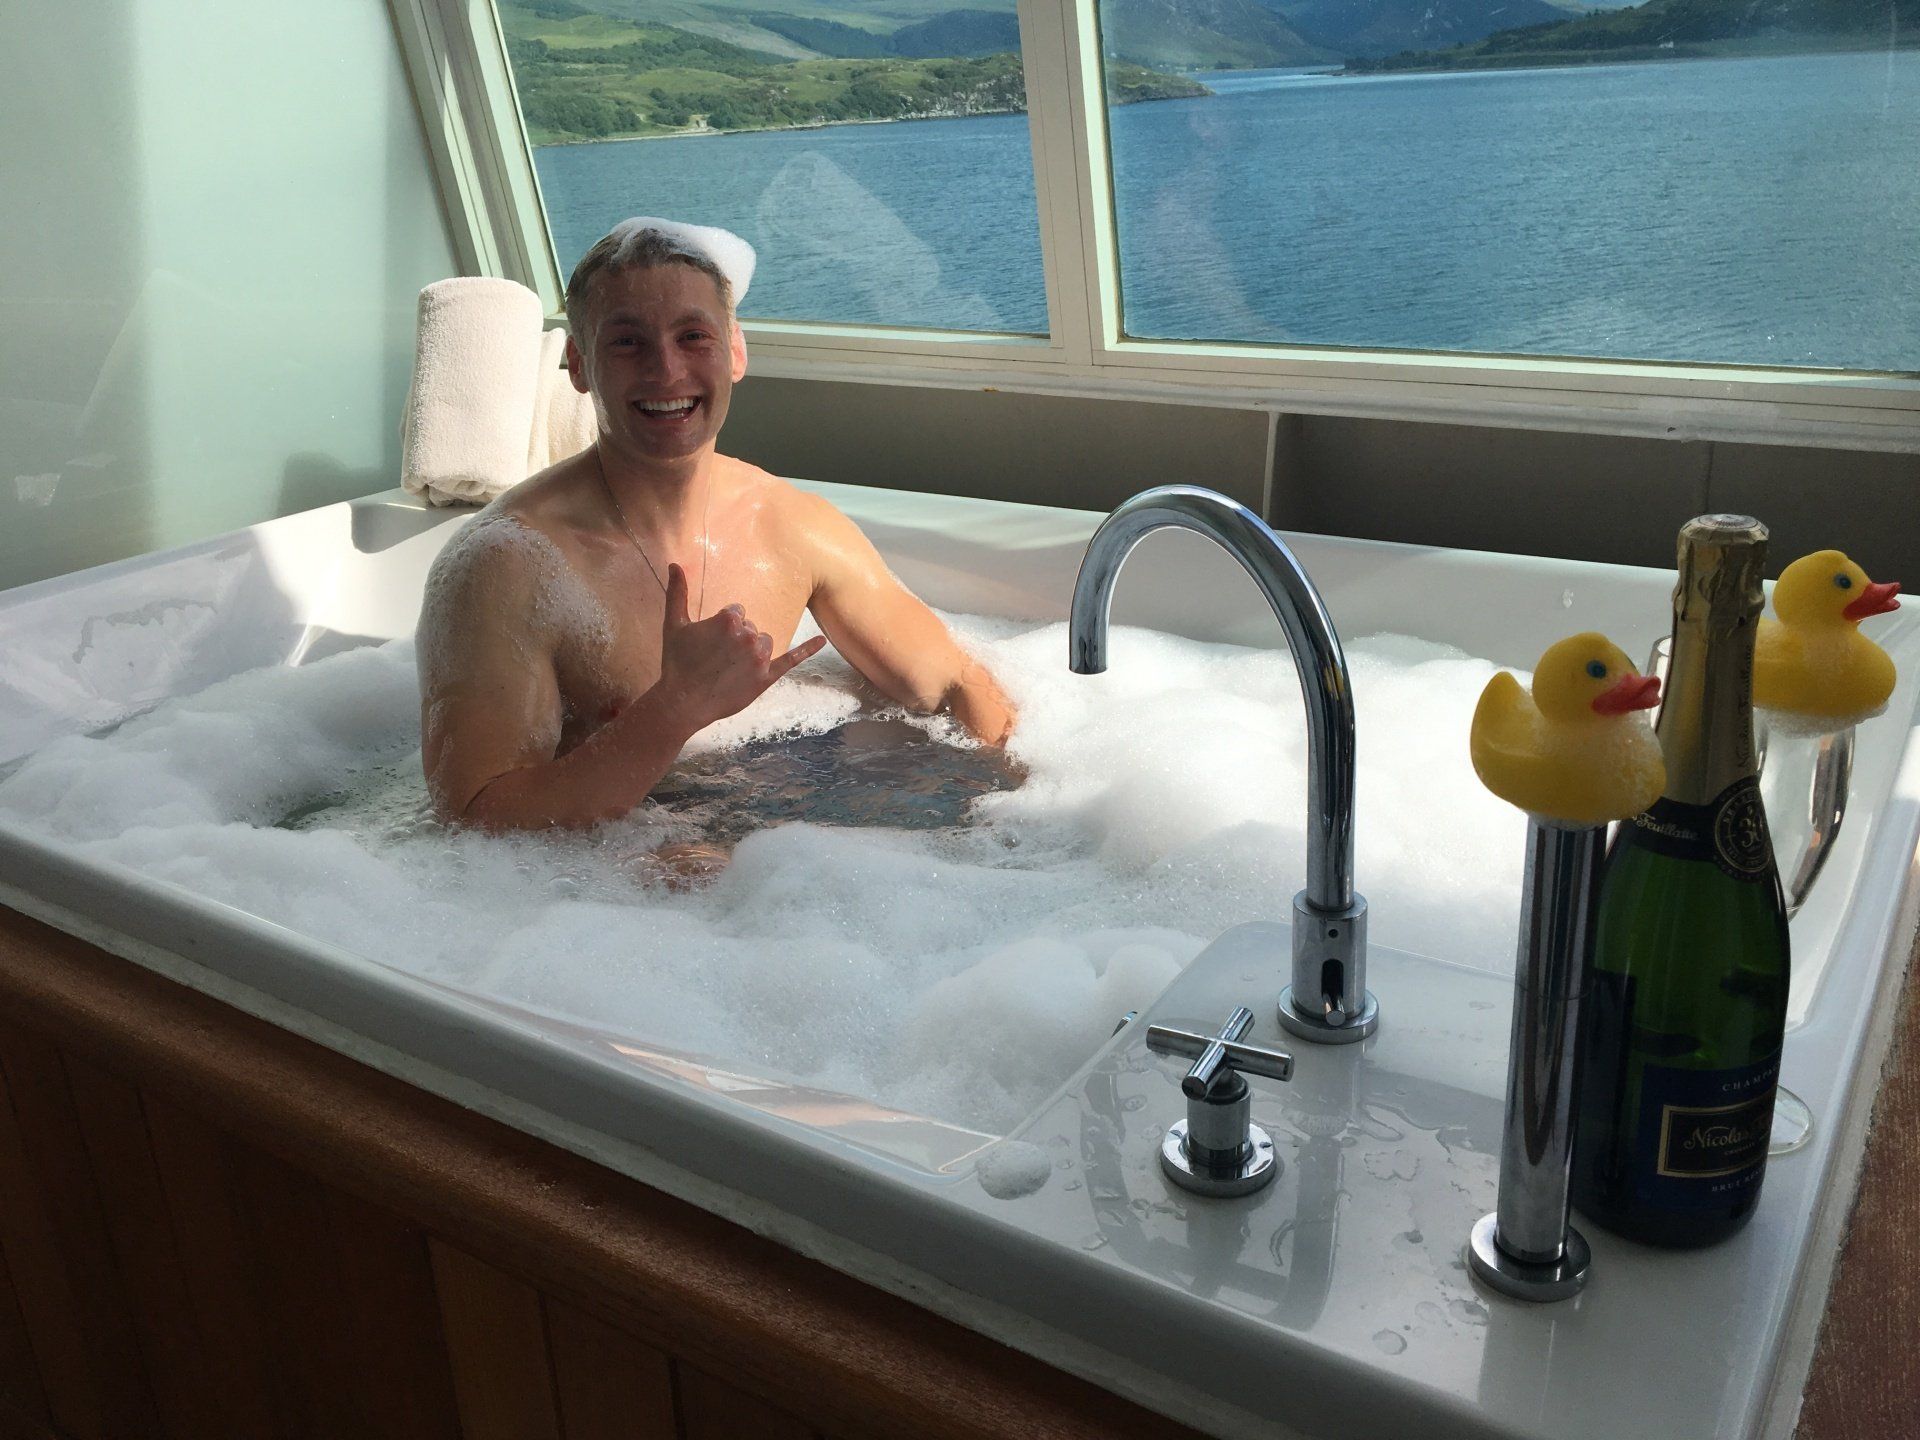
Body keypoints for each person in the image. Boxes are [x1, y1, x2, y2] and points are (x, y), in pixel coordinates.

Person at [417, 218, 1016, 834]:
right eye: (627, 343)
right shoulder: (505, 567)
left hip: (775, 837)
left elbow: (951, 683)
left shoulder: (791, 524)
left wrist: (1025, 809)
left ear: (734, 351)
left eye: (692, 336)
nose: (666, 371)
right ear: (578, 364)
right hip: (608, 876)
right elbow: (474, 819)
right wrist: (673, 709)